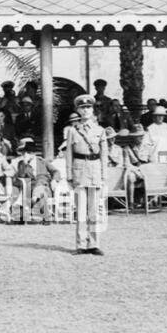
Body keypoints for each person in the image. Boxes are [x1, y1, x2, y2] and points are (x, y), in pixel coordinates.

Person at [63, 94, 108, 254]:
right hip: (79, 170)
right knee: (81, 209)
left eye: (88, 107)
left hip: (95, 170)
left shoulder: (100, 130)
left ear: (92, 109)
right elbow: (68, 154)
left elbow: (104, 155)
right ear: (78, 110)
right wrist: (69, 175)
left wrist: (104, 177)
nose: (86, 110)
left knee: (94, 210)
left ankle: (94, 244)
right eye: (82, 108)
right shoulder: (73, 131)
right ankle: (81, 244)